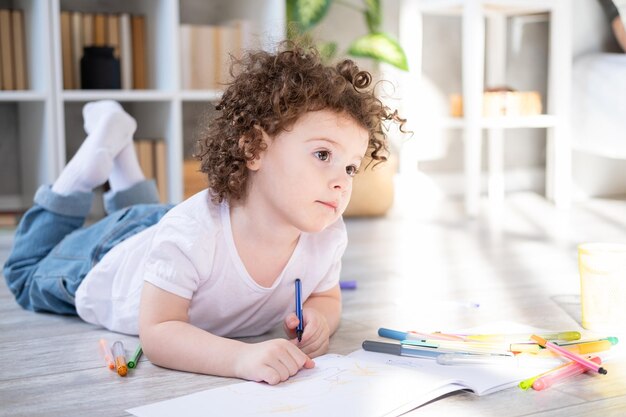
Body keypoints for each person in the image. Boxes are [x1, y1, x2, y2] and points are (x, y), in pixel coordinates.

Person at [3, 43, 404, 385]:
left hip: (165, 234)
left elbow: (326, 295)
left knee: (158, 224)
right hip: (111, 259)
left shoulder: (327, 236)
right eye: (322, 155)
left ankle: (121, 154)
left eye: (350, 167)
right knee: (24, 274)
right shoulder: (192, 234)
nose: (342, 181)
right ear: (254, 149)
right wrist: (239, 359)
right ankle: (81, 174)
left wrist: (319, 318)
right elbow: (158, 332)